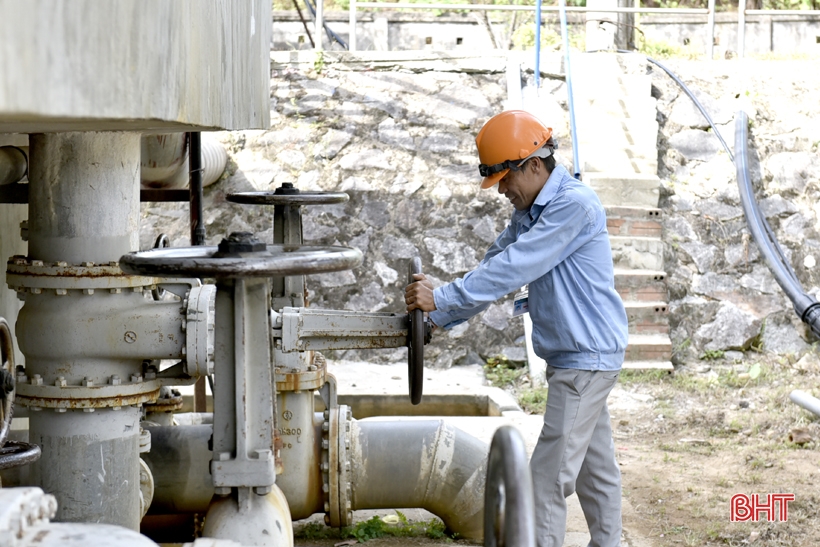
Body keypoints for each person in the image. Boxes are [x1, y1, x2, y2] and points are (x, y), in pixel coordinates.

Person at [404, 109, 628, 547]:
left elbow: (514, 267)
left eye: (506, 178)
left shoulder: (572, 207)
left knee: (545, 480)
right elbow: (495, 263)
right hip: (581, 359)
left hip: (585, 361)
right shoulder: (533, 210)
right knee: (593, 471)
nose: (502, 190)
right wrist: (438, 313)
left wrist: (444, 296)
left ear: (534, 165)